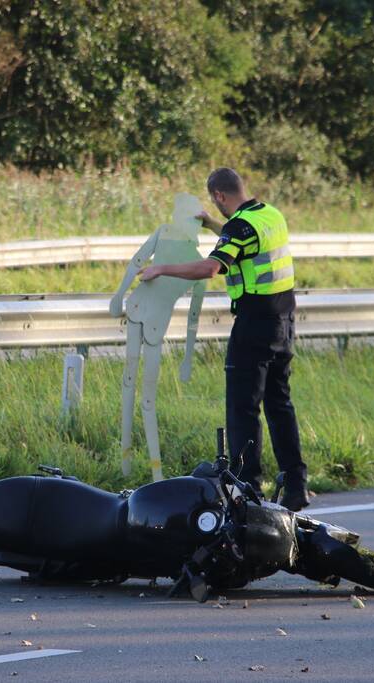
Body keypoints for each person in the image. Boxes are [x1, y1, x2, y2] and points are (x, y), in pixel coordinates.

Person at [139, 167, 309, 511]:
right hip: (284, 320)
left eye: (214, 204)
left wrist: (160, 269)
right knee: (279, 405)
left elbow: (211, 267)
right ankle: (296, 484)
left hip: (255, 323)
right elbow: (242, 243)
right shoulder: (269, 215)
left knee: (242, 408)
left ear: (219, 196)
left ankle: (248, 487)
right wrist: (214, 225)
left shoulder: (238, 227)